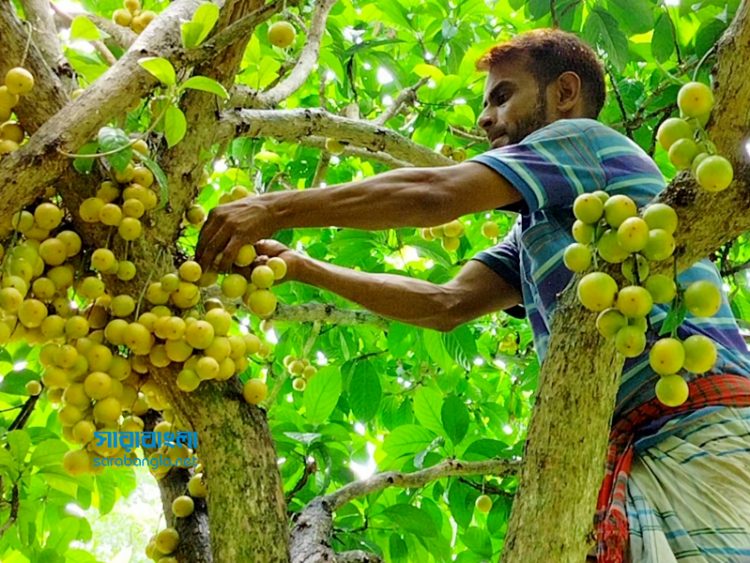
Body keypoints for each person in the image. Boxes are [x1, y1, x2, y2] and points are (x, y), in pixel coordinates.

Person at [197, 29, 750, 562]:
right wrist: (304, 267)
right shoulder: (541, 225)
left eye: (502, 96)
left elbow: (436, 194)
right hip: (631, 449)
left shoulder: (583, 140)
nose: (485, 118)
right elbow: (446, 304)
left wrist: (275, 208)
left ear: (564, 93)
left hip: (699, 427)